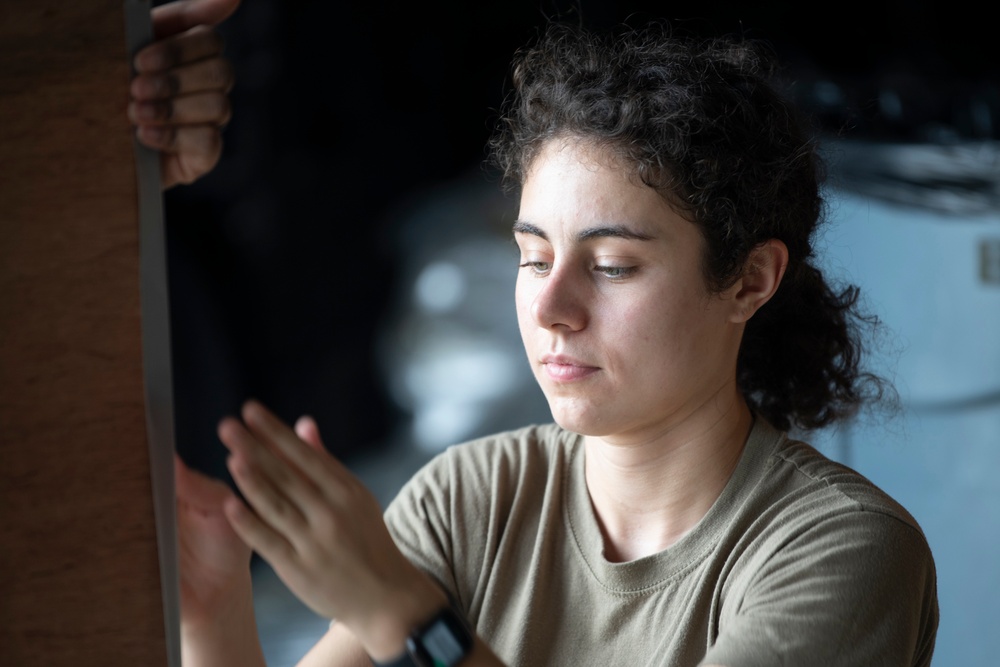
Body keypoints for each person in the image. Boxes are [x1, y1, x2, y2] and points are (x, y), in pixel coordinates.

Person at [135, 4, 939, 666]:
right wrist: (211, 613)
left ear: (749, 280)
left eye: (614, 265)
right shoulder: (473, 494)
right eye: (532, 257)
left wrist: (407, 618)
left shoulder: (842, 551)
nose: (552, 306)